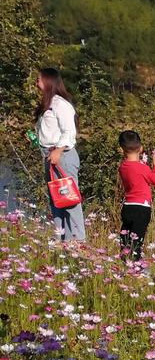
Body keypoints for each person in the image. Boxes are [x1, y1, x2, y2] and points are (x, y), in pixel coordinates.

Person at [33, 68, 85, 243]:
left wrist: (59, 150)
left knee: (69, 200)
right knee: (57, 200)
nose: (36, 82)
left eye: (38, 79)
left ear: (49, 81)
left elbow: (69, 131)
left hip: (62, 156)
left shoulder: (60, 104)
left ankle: (78, 242)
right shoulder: (47, 103)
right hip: (50, 156)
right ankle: (62, 239)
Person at [117, 130, 155, 260]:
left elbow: (134, 170)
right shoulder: (143, 168)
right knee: (137, 241)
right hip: (141, 208)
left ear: (121, 149)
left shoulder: (123, 167)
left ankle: (124, 262)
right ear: (141, 148)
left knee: (125, 239)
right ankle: (136, 267)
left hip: (127, 207)